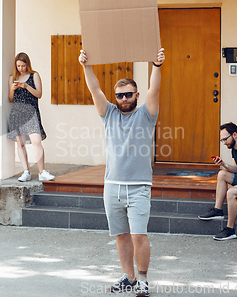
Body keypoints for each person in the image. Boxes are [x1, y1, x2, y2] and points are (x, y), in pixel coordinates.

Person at [79, 48, 165, 297]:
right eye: (120, 95)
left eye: (128, 94)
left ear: (136, 95)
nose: (124, 98)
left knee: (139, 235)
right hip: (112, 186)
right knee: (121, 235)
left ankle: (143, 279)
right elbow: (95, 90)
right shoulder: (109, 115)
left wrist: (156, 66)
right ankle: (128, 277)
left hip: (139, 186)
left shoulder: (146, 114)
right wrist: (86, 66)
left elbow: (155, 90)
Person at [7, 52, 55, 182]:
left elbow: (39, 94)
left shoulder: (34, 75)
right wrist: (12, 89)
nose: (21, 68)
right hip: (17, 114)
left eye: (23, 65)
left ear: (27, 64)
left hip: (32, 113)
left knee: (37, 142)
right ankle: (26, 172)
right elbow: (11, 99)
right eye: (18, 66)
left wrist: (27, 86)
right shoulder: (12, 78)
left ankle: (42, 172)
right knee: (21, 144)